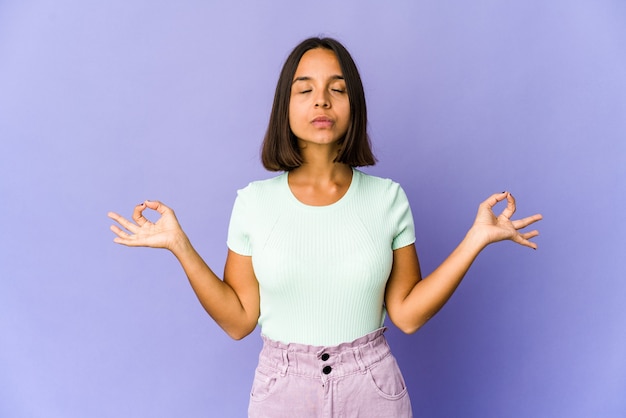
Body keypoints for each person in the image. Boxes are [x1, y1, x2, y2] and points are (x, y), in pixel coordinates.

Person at [107, 37, 542, 417]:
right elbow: (239, 320)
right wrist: (180, 246)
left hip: (371, 388)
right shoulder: (253, 203)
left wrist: (477, 238)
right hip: (282, 390)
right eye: (306, 89)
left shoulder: (388, 198)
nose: (322, 101)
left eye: (337, 89)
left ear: (354, 106)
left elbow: (407, 315)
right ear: (286, 106)